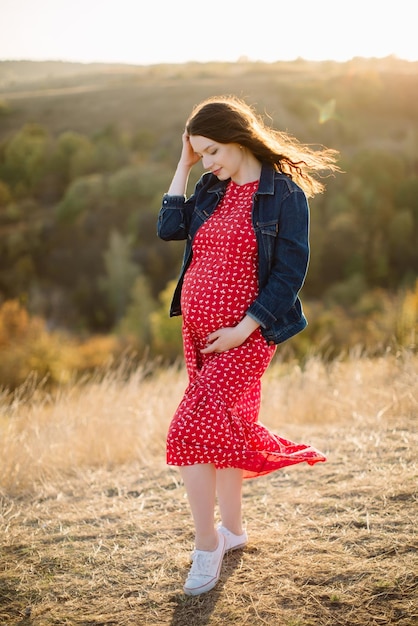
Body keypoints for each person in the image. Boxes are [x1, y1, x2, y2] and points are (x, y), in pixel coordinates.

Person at [157, 95, 340, 596]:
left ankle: (206, 545)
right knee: (225, 428)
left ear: (239, 138)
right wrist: (184, 163)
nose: (209, 162)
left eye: (214, 150)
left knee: (190, 430)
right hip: (199, 337)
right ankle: (234, 531)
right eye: (201, 153)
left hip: (246, 337)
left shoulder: (284, 194)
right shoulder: (210, 186)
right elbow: (169, 227)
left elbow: (289, 273)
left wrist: (244, 328)